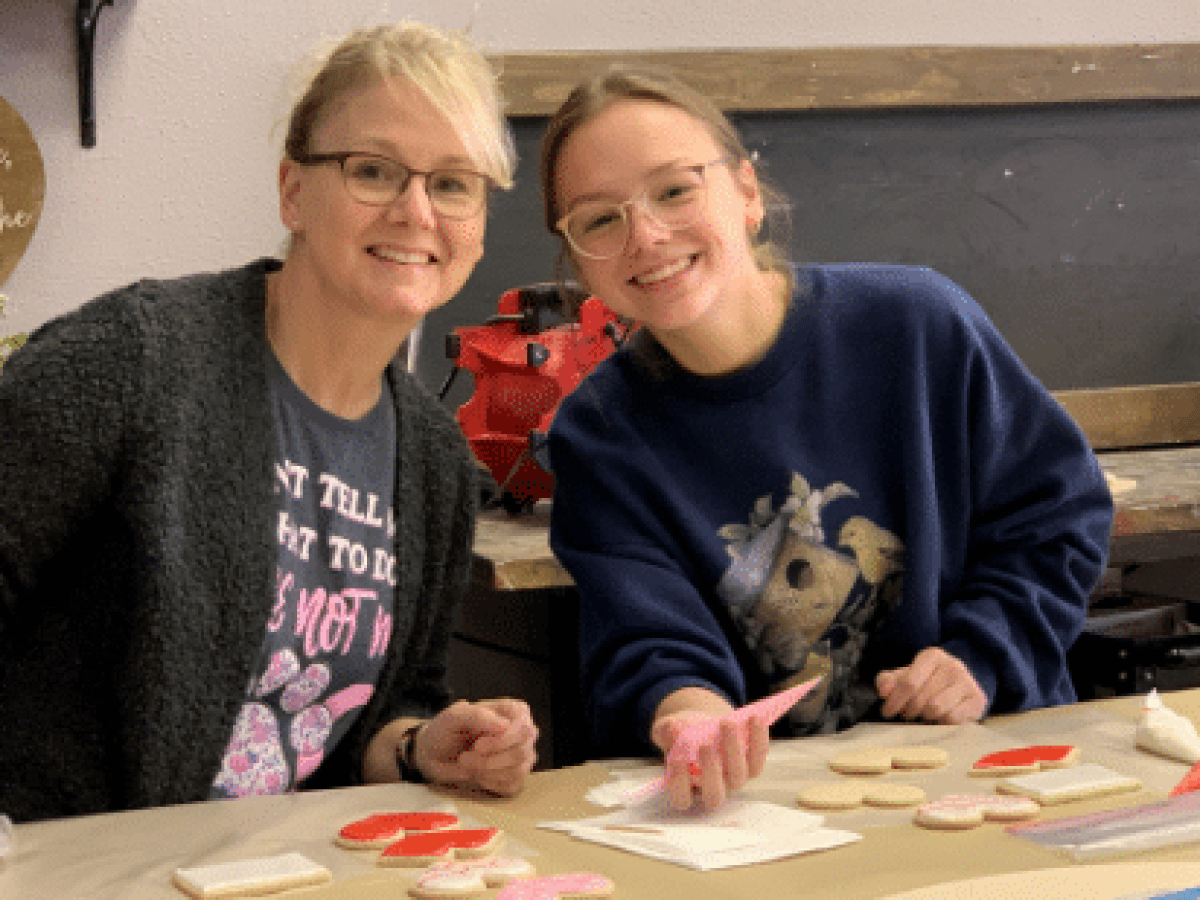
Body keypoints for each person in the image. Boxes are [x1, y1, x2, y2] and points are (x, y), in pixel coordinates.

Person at [0, 23, 537, 824]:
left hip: (279, 870)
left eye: (454, 183)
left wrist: (426, 745)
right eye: (373, 171)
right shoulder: (134, 360)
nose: (416, 210)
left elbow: (379, 714)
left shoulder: (434, 462)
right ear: (293, 191)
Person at [540, 67, 1114, 811]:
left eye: (675, 190)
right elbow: (646, 635)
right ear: (576, 258)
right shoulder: (600, 432)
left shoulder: (917, 327)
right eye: (598, 219)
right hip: (776, 813)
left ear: (746, 194)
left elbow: (1057, 512)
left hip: (991, 775)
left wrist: (982, 652)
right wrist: (690, 713)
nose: (645, 236)